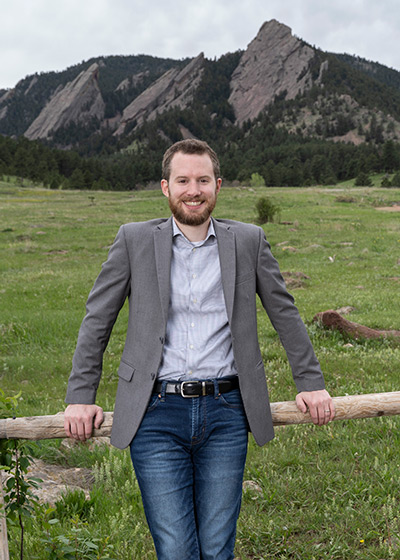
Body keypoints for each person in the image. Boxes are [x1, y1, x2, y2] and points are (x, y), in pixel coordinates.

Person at [64, 139, 335, 560]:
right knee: (175, 550)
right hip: (154, 414)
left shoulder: (248, 240)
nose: (194, 189)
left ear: (218, 185)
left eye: (203, 180)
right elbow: (97, 319)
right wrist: (81, 397)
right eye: (183, 180)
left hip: (227, 412)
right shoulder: (133, 240)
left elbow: (285, 314)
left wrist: (311, 382)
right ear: (165, 187)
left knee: (216, 548)